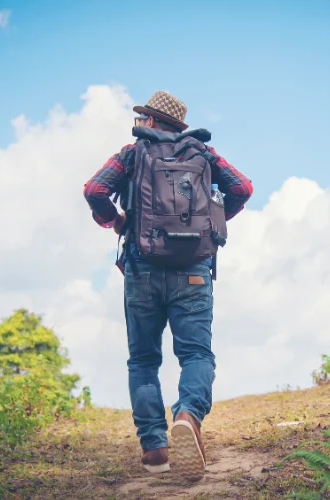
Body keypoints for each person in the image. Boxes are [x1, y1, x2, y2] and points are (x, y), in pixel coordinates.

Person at [83, 90, 253, 480]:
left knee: (143, 360)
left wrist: (118, 221)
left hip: (141, 271)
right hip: (193, 269)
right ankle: (188, 416)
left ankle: (155, 450)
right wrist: (212, 221)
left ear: (155, 122)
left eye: (144, 117)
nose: (140, 123)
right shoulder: (204, 155)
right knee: (196, 355)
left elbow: (94, 190)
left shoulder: (131, 154)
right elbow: (242, 188)